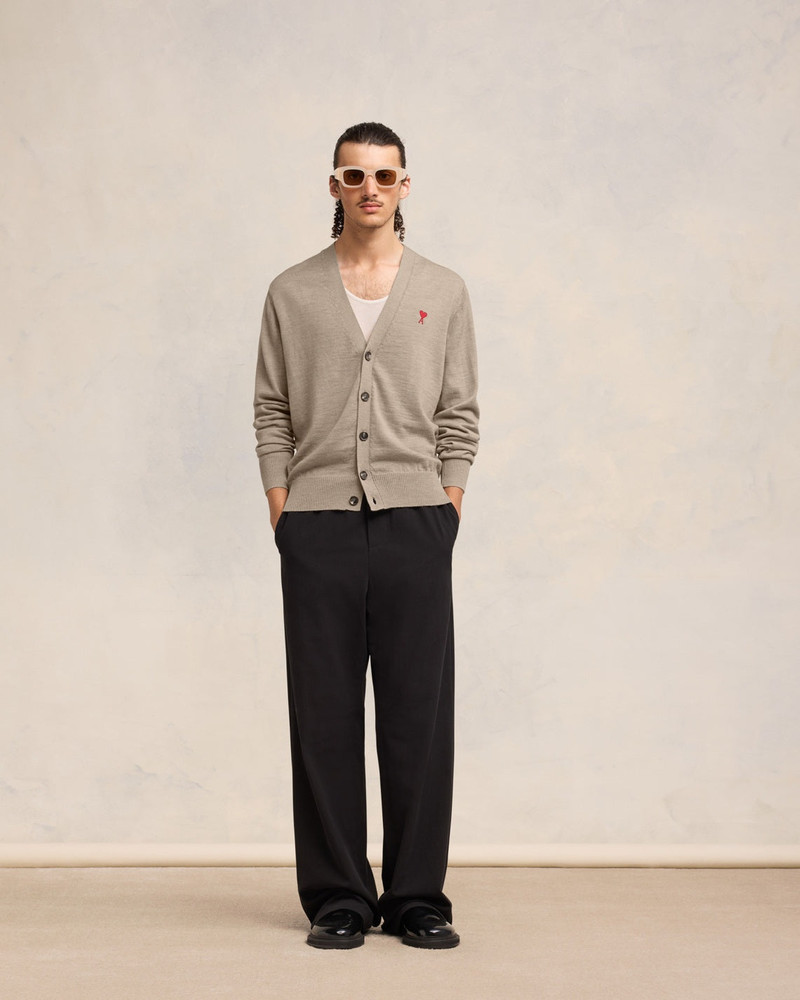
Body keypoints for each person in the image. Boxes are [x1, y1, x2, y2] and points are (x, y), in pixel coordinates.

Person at [252, 122, 480, 950]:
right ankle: (340, 897)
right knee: (323, 715)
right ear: (335, 186)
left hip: (417, 521)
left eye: (385, 175)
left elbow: (459, 411)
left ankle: (417, 896)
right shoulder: (292, 291)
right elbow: (271, 408)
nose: (370, 189)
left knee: (419, 713)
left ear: (405, 186)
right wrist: (283, 505)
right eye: (355, 175)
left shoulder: (443, 290)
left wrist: (447, 504)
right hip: (316, 526)